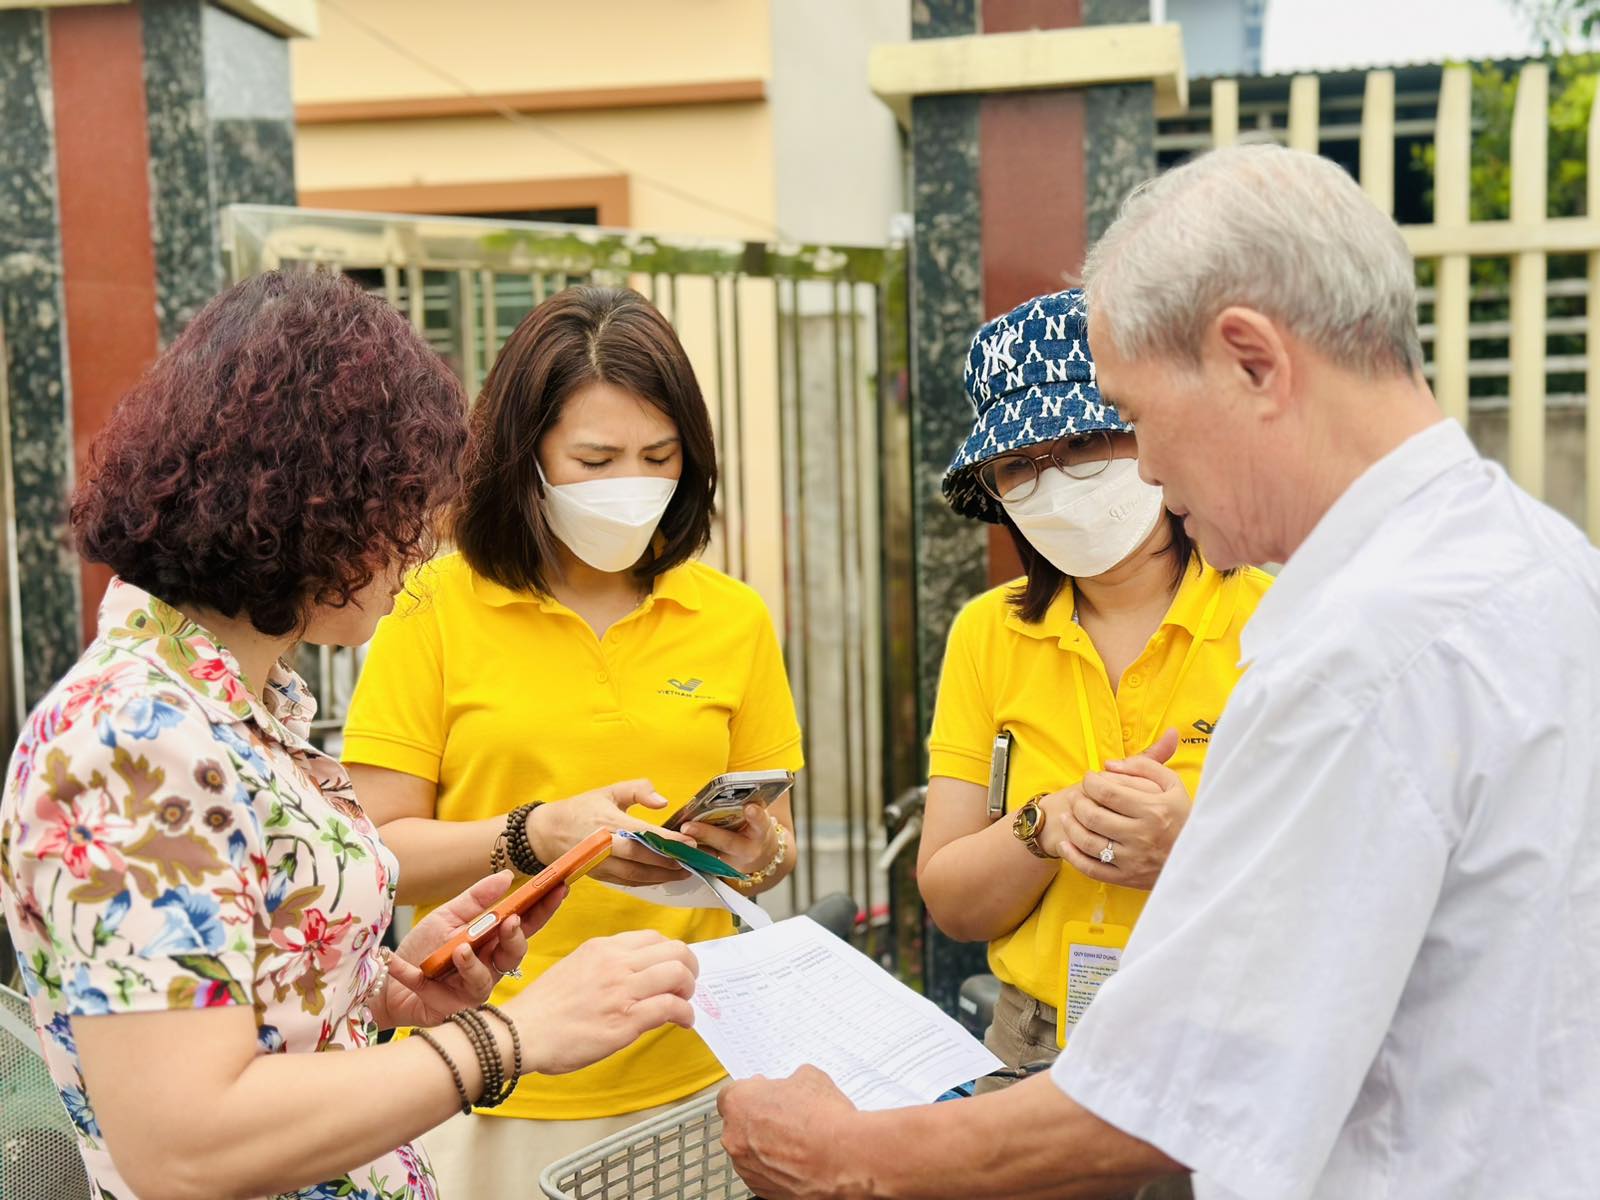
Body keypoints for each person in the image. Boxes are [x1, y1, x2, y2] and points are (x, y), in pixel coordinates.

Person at [718, 144, 1600, 1199]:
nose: (1142, 467)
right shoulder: (1540, 562)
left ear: (1250, 360)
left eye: (1131, 418)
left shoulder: (1356, 655)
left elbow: (1182, 1087)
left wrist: (852, 1155)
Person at [0, 271, 699, 1200]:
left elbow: (235, 994)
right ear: (311, 501)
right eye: (403, 507)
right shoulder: (131, 742)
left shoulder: (238, 711)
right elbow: (186, 1143)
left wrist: (380, 985)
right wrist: (512, 1037)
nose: (416, 548)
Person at [342, 285, 804, 1188]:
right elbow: (379, 849)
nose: (630, 486)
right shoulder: (432, 609)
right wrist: (538, 837)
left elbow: (770, 837)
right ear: (526, 459)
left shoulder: (732, 617)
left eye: (658, 457)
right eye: (595, 459)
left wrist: (748, 850)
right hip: (497, 1075)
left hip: (699, 1069)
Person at [920, 288, 1270, 1109]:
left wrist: (1188, 843)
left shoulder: (1273, 619)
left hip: (1223, 1042)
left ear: (1153, 434)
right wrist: (1043, 825)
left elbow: (1343, 897)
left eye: (1082, 443)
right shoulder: (988, 633)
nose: (1055, 485)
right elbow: (952, 902)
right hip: (1030, 1043)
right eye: (1019, 466)